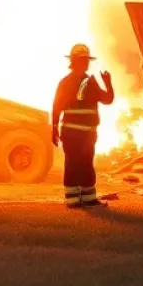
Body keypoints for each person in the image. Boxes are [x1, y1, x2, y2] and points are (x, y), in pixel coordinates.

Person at [52, 44, 114, 208]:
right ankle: (82, 199)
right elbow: (107, 99)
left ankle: (78, 199)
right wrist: (108, 84)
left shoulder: (67, 82)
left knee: (77, 163)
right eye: (83, 60)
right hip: (83, 135)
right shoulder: (88, 82)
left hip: (74, 133)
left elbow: (56, 107)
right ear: (74, 61)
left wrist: (54, 128)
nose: (86, 63)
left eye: (86, 60)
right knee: (81, 164)